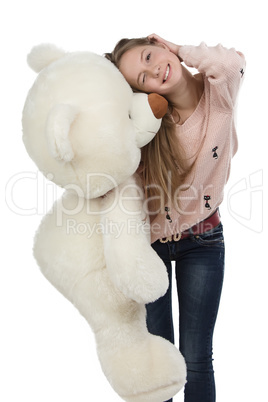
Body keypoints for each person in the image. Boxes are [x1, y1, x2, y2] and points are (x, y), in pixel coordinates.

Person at [105, 34, 245, 402]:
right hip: (148, 249)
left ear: (162, 45)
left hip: (202, 243)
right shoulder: (148, 121)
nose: (154, 71)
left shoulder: (220, 96)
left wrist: (181, 50)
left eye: (150, 56)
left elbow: (231, 62)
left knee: (197, 358)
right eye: (142, 78)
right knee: (159, 360)